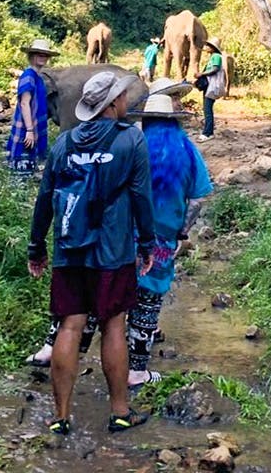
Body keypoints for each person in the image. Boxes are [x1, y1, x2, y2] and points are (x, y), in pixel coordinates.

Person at [24, 76, 197, 370]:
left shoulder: (104, 140)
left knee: (80, 313)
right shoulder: (175, 149)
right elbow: (190, 199)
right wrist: (171, 234)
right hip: (144, 242)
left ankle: (56, 356)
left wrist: (36, 244)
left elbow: (52, 196)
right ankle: (135, 374)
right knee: (136, 310)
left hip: (95, 240)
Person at [28, 71, 156, 435]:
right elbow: (141, 198)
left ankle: (60, 416)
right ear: (113, 103)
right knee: (114, 324)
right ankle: (119, 411)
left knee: (70, 325)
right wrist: (147, 243)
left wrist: (36, 246)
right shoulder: (130, 139)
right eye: (122, 98)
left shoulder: (64, 143)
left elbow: (45, 200)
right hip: (112, 252)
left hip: (69, 248)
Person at [126, 93, 213, 388]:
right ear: (175, 121)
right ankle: (136, 369)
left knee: (117, 295)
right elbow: (199, 198)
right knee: (149, 302)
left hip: (125, 235)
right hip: (162, 241)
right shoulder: (187, 150)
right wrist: (181, 232)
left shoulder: (132, 145)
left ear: (145, 119)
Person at [6, 38, 59, 180]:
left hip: (31, 127)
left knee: (28, 171)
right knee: (20, 174)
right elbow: (25, 104)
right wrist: (29, 130)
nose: (43, 57)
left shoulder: (38, 77)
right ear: (31, 56)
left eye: (45, 55)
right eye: (38, 54)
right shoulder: (28, 76)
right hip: (25, 128)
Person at [196, 37, 225, 142]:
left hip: (212, 86)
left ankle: (207, 133)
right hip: (209, 85)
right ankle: (209, 131)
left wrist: (202, 74)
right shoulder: (213, 56)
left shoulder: (216, 56)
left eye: (208, 45)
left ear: (213, 48)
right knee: (206, 109)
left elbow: (215, 69)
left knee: (207, 109)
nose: (206, 47)